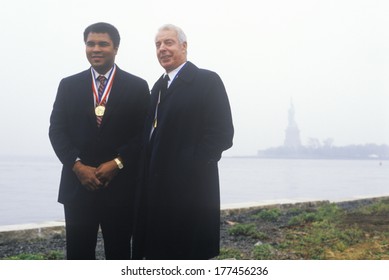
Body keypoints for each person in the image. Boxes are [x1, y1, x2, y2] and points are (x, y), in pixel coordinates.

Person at [49, 22, 150, 260]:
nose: (96, 49)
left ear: (116, 48)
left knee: (120, 253)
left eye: (103, 44)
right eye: (90, 43)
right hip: (78, 186)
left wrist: (118, 162)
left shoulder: (137, 86)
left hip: (120, 187)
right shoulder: (68, 85)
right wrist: (77, 165)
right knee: (78, 254)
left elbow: (143, 134)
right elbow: (56, 131)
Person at [132, 24, 234, 260]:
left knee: (188, 253)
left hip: (191, 190)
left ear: (184, 46)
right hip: (155, 191)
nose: (162, 49)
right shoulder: (157, 87)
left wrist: (189, 165)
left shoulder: (206, 81)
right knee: (159, 253)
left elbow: (222, 134)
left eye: (168, 42)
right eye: (158, 45)